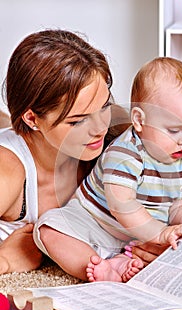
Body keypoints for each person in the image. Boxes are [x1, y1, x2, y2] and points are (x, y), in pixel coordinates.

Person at [34, 57, 182, 282]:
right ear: (139, 120)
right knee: (49, 228)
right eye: (174, 130)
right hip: (96, 222)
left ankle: (125, 262)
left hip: (143, 235)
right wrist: (160, 234)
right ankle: (100, 267)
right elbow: (122, 205)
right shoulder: (125, 152)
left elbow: (181, 205)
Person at [0, 28, 129, 274]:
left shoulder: (114, 137)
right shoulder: (7, 171)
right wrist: (4, 260)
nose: (100, 128)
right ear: (32, 118)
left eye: (104, 107)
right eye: (78, 121)